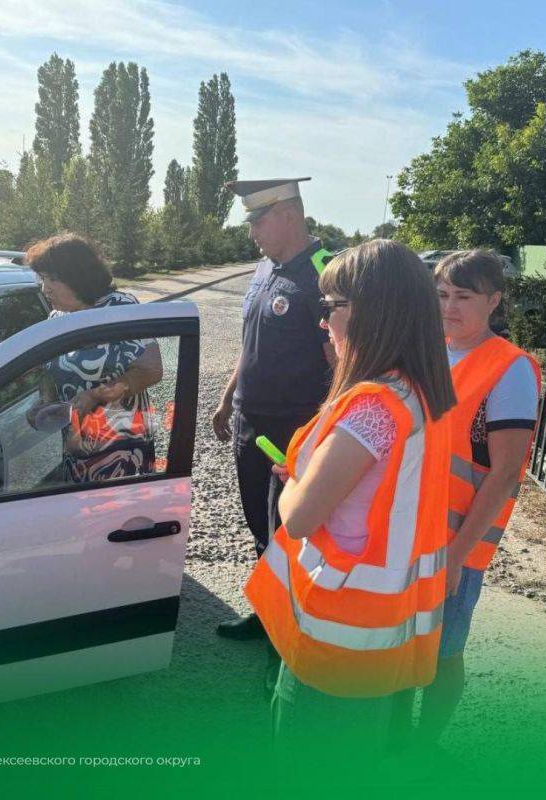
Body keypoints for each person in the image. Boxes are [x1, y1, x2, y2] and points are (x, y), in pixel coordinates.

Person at [243, 239, 457, 760]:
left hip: (334, 646)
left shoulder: (373, 408)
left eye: (330, 308)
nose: (323, 323)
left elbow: (297, 518)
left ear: (372, 312)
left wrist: (295, 478)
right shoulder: (419, 392)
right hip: (377, 645)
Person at [395, 249, 540, 745]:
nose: (449, 306)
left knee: (441, 652)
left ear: (494, 300)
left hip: (455, 542)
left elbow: (504, 475)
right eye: (441, 294)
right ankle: (393, 739)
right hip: (403, 531)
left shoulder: (510, 368)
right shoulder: (425, 349)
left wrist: (456, 555)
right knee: (399, 643)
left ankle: (423, 745)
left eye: (464, 296)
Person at [213, 177, 336, 640]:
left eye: (258, 221)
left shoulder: (325, 274)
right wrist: (228, 397)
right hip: (252, 419)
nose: (253, 233)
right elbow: (251, 344)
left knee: (291, 527)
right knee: (258, 521)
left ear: (288, 215)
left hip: (295, 428)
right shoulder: (264, 270)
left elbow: (341, 361)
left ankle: (293, 625)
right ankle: (269, 613)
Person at [25, 233, 163, 483]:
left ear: (76, 277)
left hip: (121, 451)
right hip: (78, 452)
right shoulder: (57, 317)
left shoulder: (120, 309)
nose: (44, 288)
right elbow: (47, 370)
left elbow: (151, 369)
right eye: (42, 279)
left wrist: (96, 396)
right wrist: (46, 401)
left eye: (51, 279)